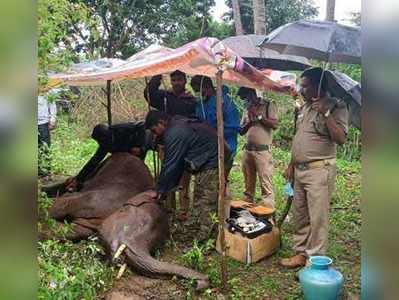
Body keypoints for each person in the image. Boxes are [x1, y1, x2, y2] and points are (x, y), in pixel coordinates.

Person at [280, 67, 349, 268]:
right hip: (299, 169)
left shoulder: (337, 106)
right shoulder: (307, 107)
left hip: (320, 170)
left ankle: (315, 260)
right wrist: (291, 165)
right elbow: (299, 138)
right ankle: (300, 253)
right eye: (301, 85)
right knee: (300, 213)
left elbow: (341, 139)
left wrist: (326, 114)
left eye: (306, 85)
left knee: (318, 217)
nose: (302, 89)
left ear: (319, 86)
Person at [145, 110, 232, 240]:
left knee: (206, 201)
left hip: (214, 160)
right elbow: (177, 164)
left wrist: (160, 190)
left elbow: (171, 165)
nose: (154, 134)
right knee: (199, 198)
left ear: (161, 123)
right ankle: (195, 229)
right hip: (208, 159)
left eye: (154, 130)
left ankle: (205, 239)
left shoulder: (174, 132)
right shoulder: (176, 124)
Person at [66, 121, 152, 191]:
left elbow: (142, 125)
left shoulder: (120, 128)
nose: (101, 143)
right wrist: (78, 179)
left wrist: (139, 146)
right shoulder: (105, 145)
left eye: (102, 140)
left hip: (141, 142)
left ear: (108, 135)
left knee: (137, 164)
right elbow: (94, 162)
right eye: (99, 142)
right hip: (126, 151)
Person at [238, 87, 278, 209]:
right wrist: (250, 121)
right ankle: (247, 211)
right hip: (248, 150)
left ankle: (268, 214)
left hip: (263, 151)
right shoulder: (247, 109)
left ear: (252, 94)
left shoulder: (268, 105)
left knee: (266, 185)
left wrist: (259, 116)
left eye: (246, 98)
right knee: (248, 186)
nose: (245, 101)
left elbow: (275, 124)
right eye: (243, 99)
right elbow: (241, 131)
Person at [190, 75, 240, 157]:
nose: (198, 94)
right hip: (207, 148)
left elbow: (234, 127)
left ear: (208, 87)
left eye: (199, 90)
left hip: (226, 147)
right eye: (195, 91)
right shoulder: (200, 105)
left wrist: (214, 132)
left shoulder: (226, 102)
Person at [38, 91, 57, 176]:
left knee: (45, 146)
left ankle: (46, 168)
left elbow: (52, 106)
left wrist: (52, 120)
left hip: (43, 123)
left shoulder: (47, 92)